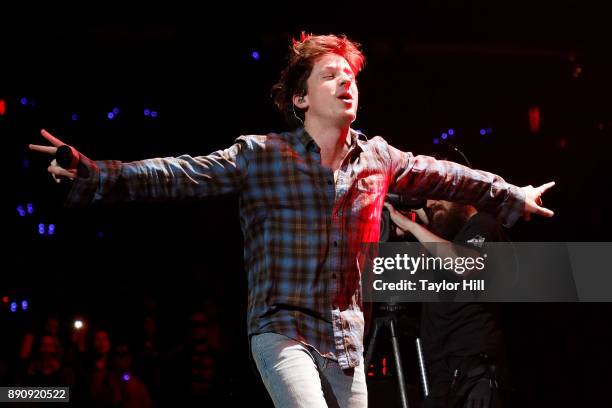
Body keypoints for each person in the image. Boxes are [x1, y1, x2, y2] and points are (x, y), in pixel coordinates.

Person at [29, 33, 554, 408]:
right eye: (330, 76)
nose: (345, 83)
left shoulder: (378, 158)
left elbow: (448, 177)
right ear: (301, 98)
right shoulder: (262, 154)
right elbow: (177, 174)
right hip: (281, 328)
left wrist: (513, 195)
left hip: (346, 335)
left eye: (350, 76)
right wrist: (92, 173)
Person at [385, 196, 513, 407]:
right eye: (428, 198)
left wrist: (411, 225)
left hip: (471, 369)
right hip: (446, 373)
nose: (430, 203)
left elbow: (465, 264)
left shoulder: (482, 223)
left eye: (438, 195)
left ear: (462, 193)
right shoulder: (448, 238)